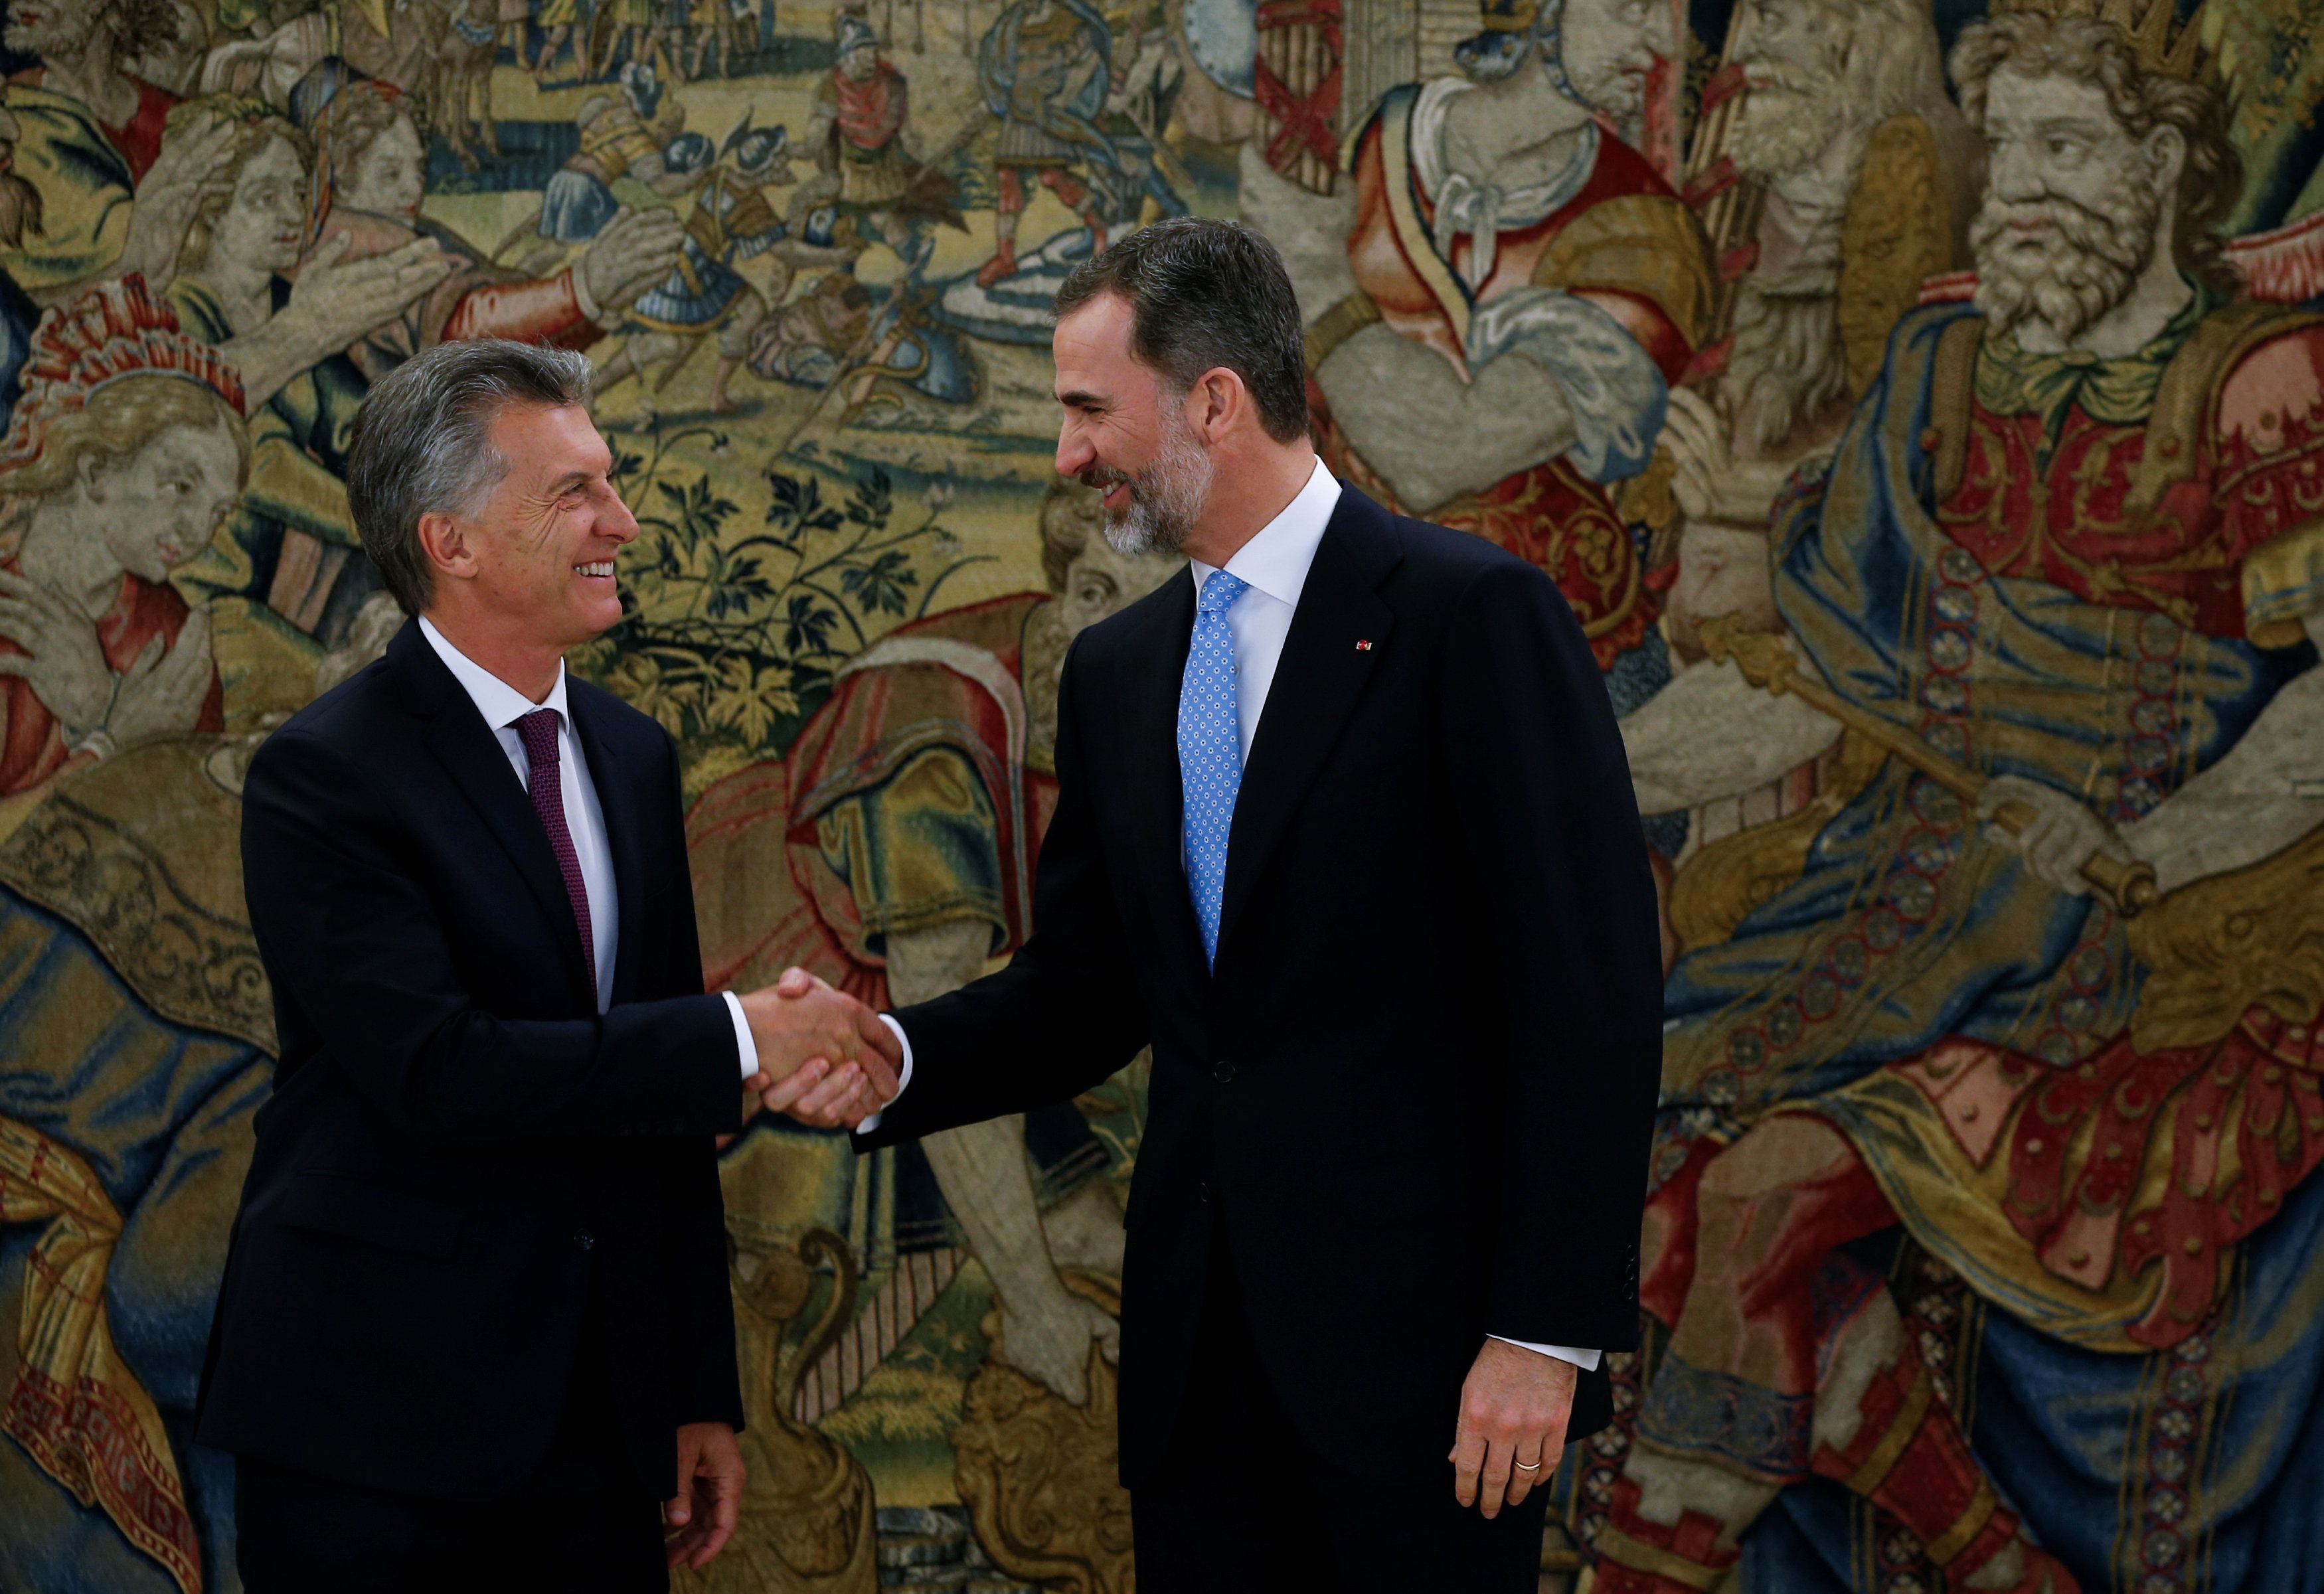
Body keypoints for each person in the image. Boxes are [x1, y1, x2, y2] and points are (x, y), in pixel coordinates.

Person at [751, 218, 1664, 1589]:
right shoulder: (1120, 670)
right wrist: (901, 1054)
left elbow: (1588, 998)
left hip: (1429, 1381)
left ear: (1215, 403)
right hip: (1197, 1386)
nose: (1067, 456)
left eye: (1088, 410)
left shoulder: (1473, 617)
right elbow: (1089, 991)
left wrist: (1541, 1334)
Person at [1600, 11, 2324, 1590]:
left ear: (2163, 164)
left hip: (2120, 946)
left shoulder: (2257, 384)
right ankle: (1999, 1567)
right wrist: (1586, 773)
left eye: (2068, 148)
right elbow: (1817, 676)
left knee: (1761, 1197)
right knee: (1620, 1165)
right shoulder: (1938, 367)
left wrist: (2143, 843)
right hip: (1895, 893)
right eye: (2008, 150)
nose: (2022, 187)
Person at [199, 337, 903, 1591]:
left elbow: (659, 1118)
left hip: (599, 1437)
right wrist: (743, 1036)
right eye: (576, 493)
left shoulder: (632, 754)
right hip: (375, 1430)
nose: (620, 522)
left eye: (610, 482)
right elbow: (440, 1073)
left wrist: (696, 1388)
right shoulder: (325, 776)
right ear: (452, 542)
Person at [688, 478, 1181, 1403]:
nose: (1099, 634)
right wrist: (1034, 1305)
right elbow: (927, 1018)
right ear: (1065, 573)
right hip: (797, 982)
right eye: (1091, 591)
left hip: (947, 1005)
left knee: (1103, 1236)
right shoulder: (934, 737)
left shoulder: (1143, 704)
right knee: (999, 1262)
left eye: (1146, 615)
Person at [1257, 0, 1714, 680]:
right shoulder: (1375, 141)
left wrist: (1317, 285)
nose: (1661, 45)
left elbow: (1441, 457)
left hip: (1539, 653)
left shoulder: (1649, 241)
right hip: (1344, 623)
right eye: (1630, 8)